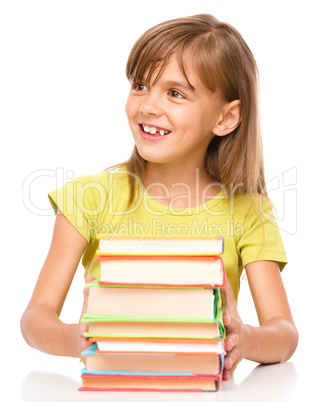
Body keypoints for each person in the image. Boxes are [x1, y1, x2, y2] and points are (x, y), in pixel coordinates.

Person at [20, 14, 298, 381]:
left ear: (226, 118)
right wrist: (74, 338)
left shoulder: (248, 211)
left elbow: (284, 334)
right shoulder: (88, 198)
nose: (148, 106)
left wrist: (245, 339)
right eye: (139, 85)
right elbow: (34, 319)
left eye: (175, 93)